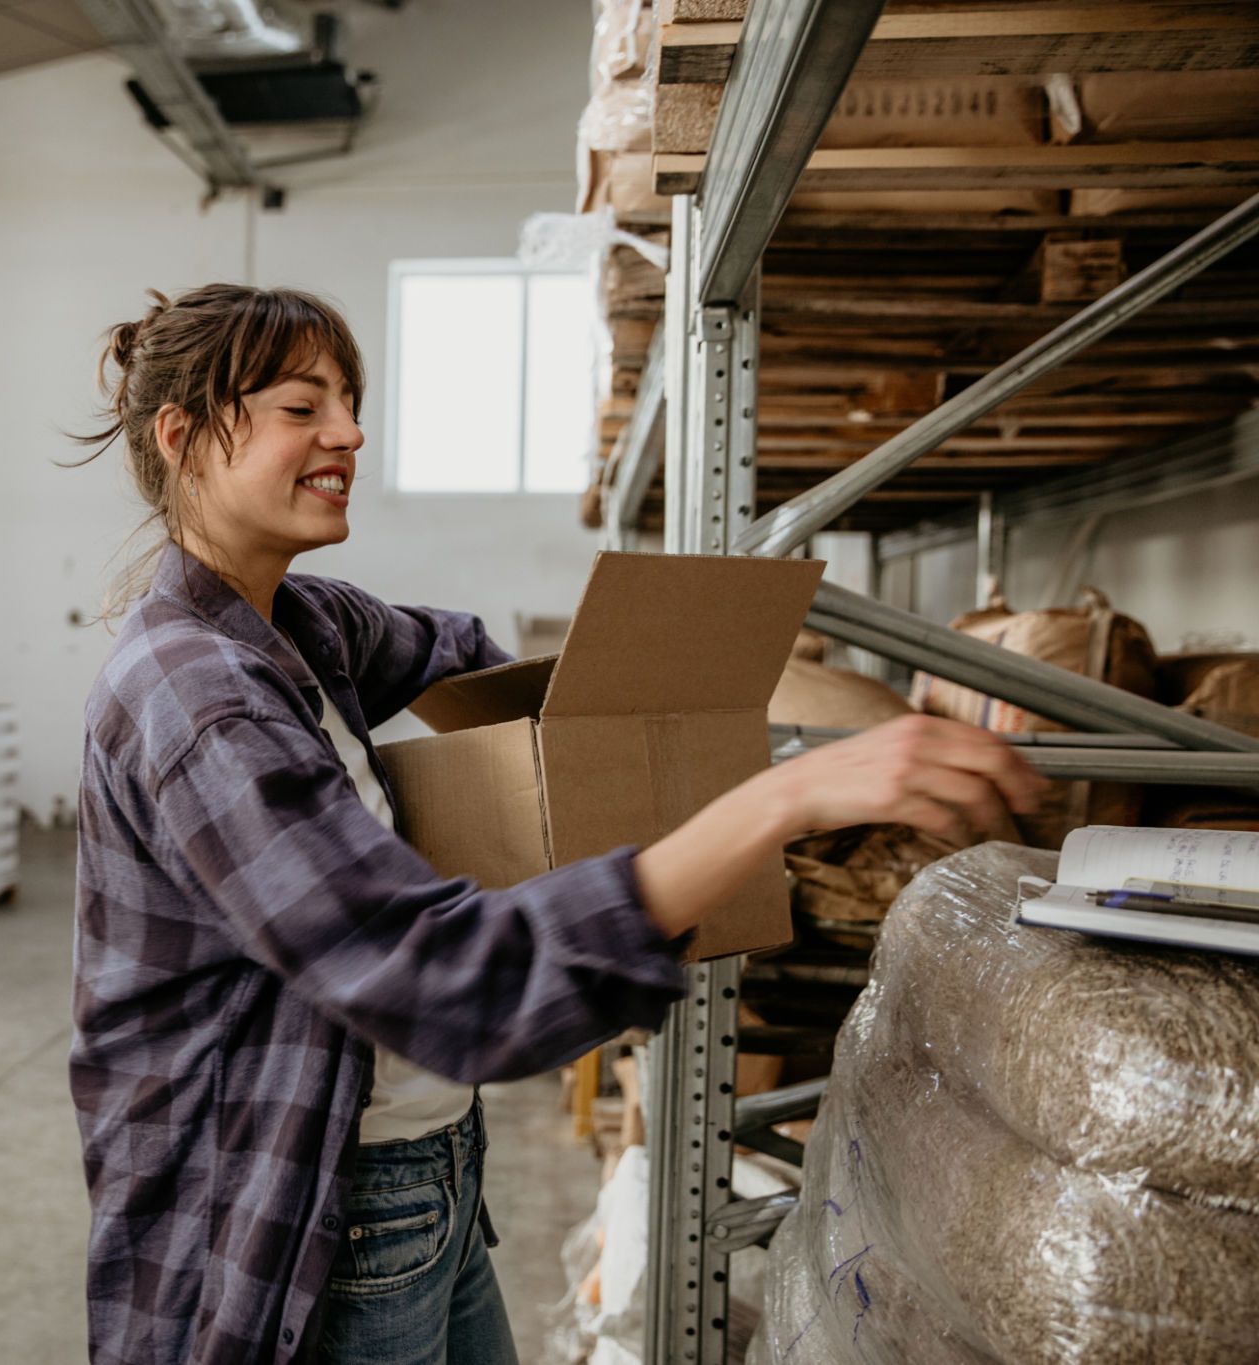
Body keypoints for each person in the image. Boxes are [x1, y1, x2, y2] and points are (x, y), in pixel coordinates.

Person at [67, 284, 1042, 1365]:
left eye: (349, 400)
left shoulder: (300, 621)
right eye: (303, 407)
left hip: (419, 1162)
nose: (348, 431)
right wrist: (775, 799)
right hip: (302, 1211)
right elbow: (442, 980)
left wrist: (678, 708)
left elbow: (472, 666)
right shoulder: (196, 697)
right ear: (183, 434)